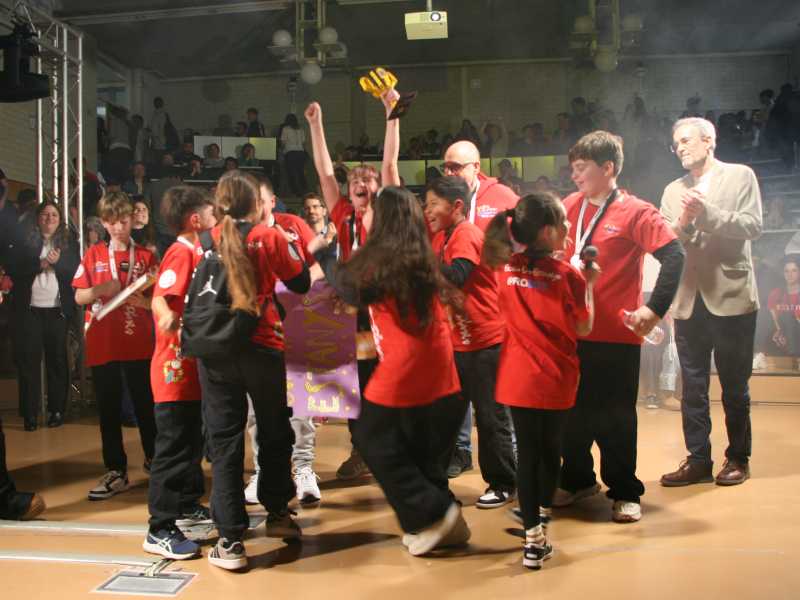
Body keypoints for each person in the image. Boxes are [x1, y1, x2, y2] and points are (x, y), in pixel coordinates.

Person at [556, 131, 685, 523]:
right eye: (573, 168)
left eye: (582, 169)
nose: (575, 176)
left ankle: (625, 489)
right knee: (571, 413)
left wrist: (654, 309)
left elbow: (674, 255)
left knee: (615, 416)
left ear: (607, 168)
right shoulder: (568, 206)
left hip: (615, 335)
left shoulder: (635, 211)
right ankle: (577, 479)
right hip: (572, 334)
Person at [338, 186, 469, 556]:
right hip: (440, 369)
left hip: (406, 367)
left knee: (370, 438)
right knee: (423, 452)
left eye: (369, 210)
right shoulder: (418, 252)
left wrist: (318, 251)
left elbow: (345, 287)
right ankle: (438, 524)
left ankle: (436, 513)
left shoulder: (378, 260)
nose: (363, 213)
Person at [197, 171, 310, 571]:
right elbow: (299, 283)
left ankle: (230, 540)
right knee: (274, 429)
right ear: (257, 203)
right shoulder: (269, 236)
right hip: (263, 346)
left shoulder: (207, 238)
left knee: (225, 442)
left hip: (217, 352)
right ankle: (278, 512)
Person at [483, 191, 596, 570]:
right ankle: (539, 525)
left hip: (516, 376)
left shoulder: (504, 268)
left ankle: (533, 538)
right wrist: (590, 284)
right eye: (564, 223)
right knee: (550, 452)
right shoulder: (569, 274)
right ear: (548, 231)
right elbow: (584, 325)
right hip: (556, 377)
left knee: (527, 455)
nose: (568, 229)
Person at [660, 117, 762, 487]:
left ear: (709, 140)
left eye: (686, 140)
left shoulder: (740, 176)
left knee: (735, 386)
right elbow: (667, 242)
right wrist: (686, 219)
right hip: (689, 299)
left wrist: (709, 215)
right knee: (693, 386)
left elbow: (753, 225)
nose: (680, 148)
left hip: (731, 296)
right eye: (676, 144)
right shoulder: (672, 190)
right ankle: (698, 459)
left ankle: (738, 457)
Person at [304, 89, 401, 480]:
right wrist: (316, 125)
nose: (360, 182)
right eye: (355, 180)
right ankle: (362, 451)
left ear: (377, 187)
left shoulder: (388, 212)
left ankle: (393, 452)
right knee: (358, 383)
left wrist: (391, 114)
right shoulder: (343, 214)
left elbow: (390, 162)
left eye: (367, 178)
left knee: (388, 381)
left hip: (387, 310)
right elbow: (326, 173)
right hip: (356, 314)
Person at [424, 176, 515, 508]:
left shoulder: (468, 234)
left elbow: (455, 277)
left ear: (456, 206)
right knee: (446, 416)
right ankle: (436, 484)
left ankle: (504, 482)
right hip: (458, 342)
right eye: (426, 203)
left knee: (491, 417)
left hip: (486, 341)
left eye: (434, 203)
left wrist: (417, 270)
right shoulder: (441, 237)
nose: (428, 210)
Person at [243, 174, 327, 507]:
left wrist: (291, 288)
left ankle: (304, 469)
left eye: (263, 199)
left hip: (294, 322)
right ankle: (262, 470)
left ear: (273, 199)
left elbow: (318, 267)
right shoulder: (242, 233)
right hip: (257, 330)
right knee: (256, 408)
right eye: (253, 201)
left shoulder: (292, 225)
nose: (259, 206)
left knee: (299, 403)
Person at [143, 186, 217, 560]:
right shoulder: (180, 252)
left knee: (190, 442)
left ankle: (187, 505)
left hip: (191, 370)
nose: (214, 213)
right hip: (173, 371)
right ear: (194, 219)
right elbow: (161, 298)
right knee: (172, 449)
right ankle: (159, 527)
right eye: (210, 209)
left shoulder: (201, 251)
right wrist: (166, 315)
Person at [72, 192, 158, 500]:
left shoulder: (147, 257)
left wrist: (146, 303)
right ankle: (116, 469)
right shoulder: (94, 254)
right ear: (104, 223)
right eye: (112, 222)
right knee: (108, 409)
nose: (118, 227)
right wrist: (100, 289)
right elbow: (79, 296)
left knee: (145, 404)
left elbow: (160, 299)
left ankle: (155, 460)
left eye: (123, 221)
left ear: (132, 220)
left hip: (137, 342)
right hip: (103, 342)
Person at [441, 140, 518, 478]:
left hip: (494, 312)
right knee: (457, 395)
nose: (449, 172)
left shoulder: (501, 197)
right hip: (456, 316)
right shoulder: (445, 202)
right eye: (446, 166)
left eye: (456, 167)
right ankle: (461, 452)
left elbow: (524, 244)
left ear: (476, 167)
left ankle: (506, 464)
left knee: (492, 402)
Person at [5, 202, 80, 430]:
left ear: (60, 220)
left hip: (57, 310)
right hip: (29, 310)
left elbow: (75, 272)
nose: (49, 218)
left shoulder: (69, 244)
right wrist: (42, 263)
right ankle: (29, 413)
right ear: (38, 219)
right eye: (45, 214)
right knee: (29, 363)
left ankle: (57, 410)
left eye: (54, 215)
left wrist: (57, 264)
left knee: (57, 361)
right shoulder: (25, 242)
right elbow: (15, 270)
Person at [767, 256, 800, 357]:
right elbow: (775, 321)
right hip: (783, 335)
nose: (790, 275)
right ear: (783, 273)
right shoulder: (776, 293)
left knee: (790, 320)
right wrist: (779, 332)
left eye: (794, 270)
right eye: (786, 271)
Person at [280, 114, 308, 197]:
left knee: (291, 173)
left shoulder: (286, 129)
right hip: (301, 153)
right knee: (300, 172)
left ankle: (296, 191)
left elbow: (283, 142)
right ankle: (304, 189)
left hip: (290, 153)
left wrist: (281, 150)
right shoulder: (301, 129)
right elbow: (303, 143)